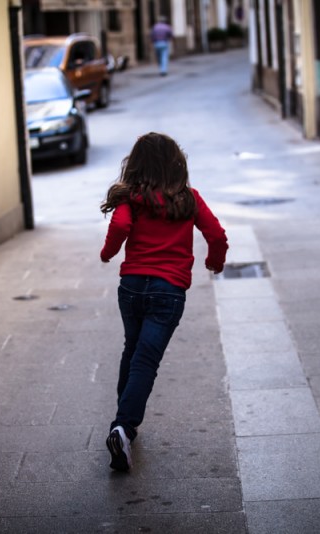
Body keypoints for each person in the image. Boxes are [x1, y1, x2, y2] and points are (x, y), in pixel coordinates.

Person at [99, 132, 228, 472]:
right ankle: (124, 427)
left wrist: (108, 252)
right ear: (177, 165)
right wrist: (215, 260)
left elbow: (121, 224)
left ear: (136, 166)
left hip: (131, 288)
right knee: (146, 360)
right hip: (168, 291)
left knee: (132, 350)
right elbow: (216, 234)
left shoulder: (132, 199)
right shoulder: (188, 199)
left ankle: (122, 424)